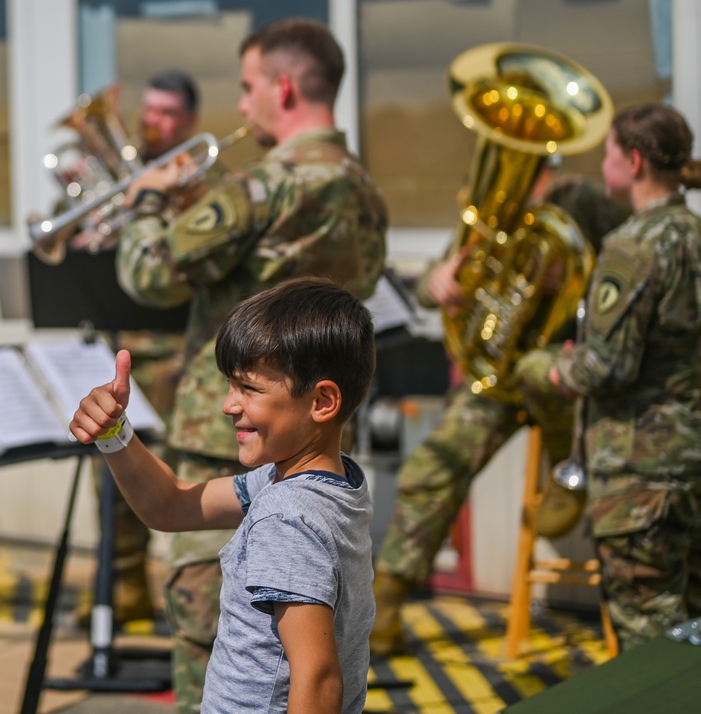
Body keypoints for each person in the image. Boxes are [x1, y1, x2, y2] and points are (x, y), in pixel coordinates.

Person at [116, 18, 388, 712]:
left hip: (232, 437)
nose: (240, 108)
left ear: (286, 86)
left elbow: (149, 274)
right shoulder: (364, 191)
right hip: (309, 436)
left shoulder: (263, 187)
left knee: (215, 636)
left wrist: (147, 199)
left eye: (247, 88)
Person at [69, 277, 376, 714]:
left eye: (249, 389)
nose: (228, 405)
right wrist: (116, 434)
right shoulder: (326, 482)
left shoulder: (285, 516)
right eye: (231, 386)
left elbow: (318, 677)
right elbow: (173, 504)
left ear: (322, 401)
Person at [369, 159, 631, 657]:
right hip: (496, 376)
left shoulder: (585, 202)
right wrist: (438, 280)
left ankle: (568, 471)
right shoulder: (490, 205)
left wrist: (578, 278)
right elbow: (433, 281)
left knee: (599, 456)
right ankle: (387, 603)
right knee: (432, 468)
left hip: (564, 371)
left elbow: (631, 277)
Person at [548, 102, 701, 651]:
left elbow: (607, 366)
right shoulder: (693, 233)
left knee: (651, 645)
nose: (602, 166)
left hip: (642, 472)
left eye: (608, 153)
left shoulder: (633, 246)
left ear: (633, 161)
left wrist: (553, 367)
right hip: (691, 463)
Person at [69, 70, 204, 627]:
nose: (154, 123)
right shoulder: (129, 176)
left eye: (168, 113)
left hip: (180, 353)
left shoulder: (201, 184)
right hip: (122, 349)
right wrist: (93, 229)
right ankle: (121, 584)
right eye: (148, 111)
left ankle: (188, 590)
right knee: (115, 470)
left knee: (176, 475)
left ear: (191, 121)